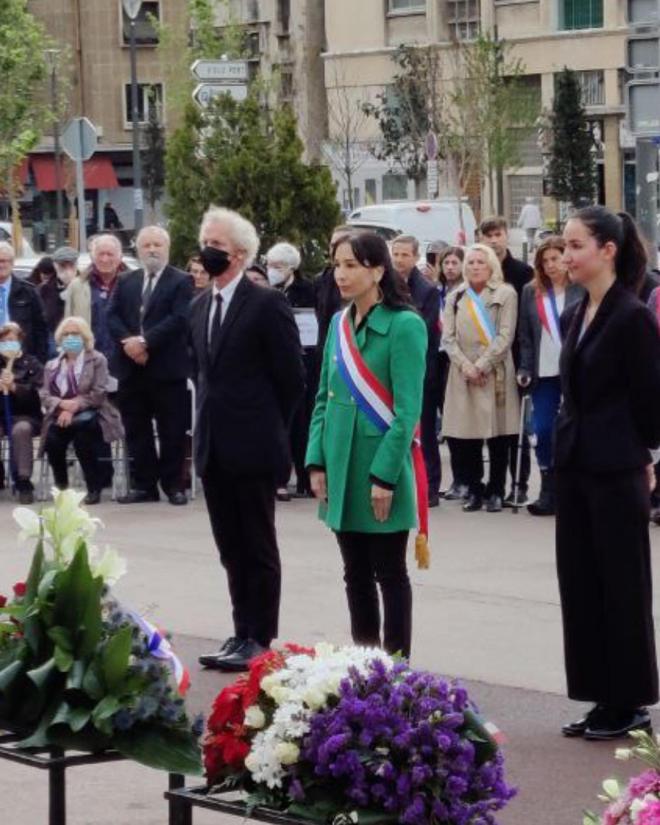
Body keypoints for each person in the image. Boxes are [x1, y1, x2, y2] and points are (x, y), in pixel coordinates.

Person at [556, 206, 660, 741]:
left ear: (608, 251)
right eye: (564, 246)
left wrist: (646, 457)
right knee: (580, 583)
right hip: (575, 466)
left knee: (622, 584)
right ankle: (600, 695)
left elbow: (650, 400)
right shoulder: (577, 312)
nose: (565, 256)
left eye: (575, 246)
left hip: (616, 467)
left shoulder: (632, 315)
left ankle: (630, 701)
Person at [190, 207, 304, 672]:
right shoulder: (199, 306)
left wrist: (271, 430)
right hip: (214, 445)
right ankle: (240, 632)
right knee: (229, 546)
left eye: (215, 245)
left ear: (239, 254)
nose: (205, 252)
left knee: (257, 545)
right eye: (204, 243)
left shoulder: (265, 304)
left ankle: (260, 635)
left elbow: (291, 380)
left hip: (254, 444)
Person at [306, 232, 427, 658]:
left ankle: (394, 669)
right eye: (337, 264)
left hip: (380, 467)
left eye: (352, 265)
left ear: (378, 270)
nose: (341, 274)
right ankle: (363, 663)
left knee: (389, 574)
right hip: (341, 464)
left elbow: (408, 411)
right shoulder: (340, 323)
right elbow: (323, 396)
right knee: (353, 574)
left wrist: (384, 475)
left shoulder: (405, 325)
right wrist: (316, 461)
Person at [107, 226, 193, 506]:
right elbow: (112, 317)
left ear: (167, 248)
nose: (152, 250)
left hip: (166, 369)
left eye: (157, 244)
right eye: (147, 245)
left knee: (172, 431)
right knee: (136, 429)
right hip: (132, 369)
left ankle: (173, 485)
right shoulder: (126, 280)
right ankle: (144, 485)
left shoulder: (181, 280)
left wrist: (145, 342)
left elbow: (180, 319)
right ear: (138, 249)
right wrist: (129, 343)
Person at [442, 244, 519, 513]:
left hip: (494, 371)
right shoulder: (456, 296)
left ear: (491, 266)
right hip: (463, 373)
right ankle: (474, 489)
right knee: (468, 435)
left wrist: (483, 365)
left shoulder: (506, 293)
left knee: (498, 434)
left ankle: (496, 490)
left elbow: (505, 335)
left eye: (480, 262)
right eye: (471, 262)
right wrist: (466, 367)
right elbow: (448, 338)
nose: (475, 266)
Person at [518, 237, 583, 516]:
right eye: (545, 261)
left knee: (575, 429)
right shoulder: (531, 291)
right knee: (543, 429)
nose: (550, 265)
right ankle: (548, 486)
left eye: (555, 259)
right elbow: (526, 337)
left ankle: (574, 488)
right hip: (543, 371)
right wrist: (524, 367)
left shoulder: (580, 288)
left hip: (575, 370)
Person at [40, 316, 123, 505]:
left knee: (82, 434)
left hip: (93, 412)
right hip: (59, 413)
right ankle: (62, 488)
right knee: (52, 438)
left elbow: (99, 392)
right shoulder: (52, 365)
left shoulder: (97, 359)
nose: (71, 337)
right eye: (67, 334)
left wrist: (75, 405)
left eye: (75, 333)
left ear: (84, 336)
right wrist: (62, 404)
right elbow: (44, 394)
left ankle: (94, 487)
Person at [479, 216, 533, 505]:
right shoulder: (479, 273)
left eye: (498, 234)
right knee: (496, 428)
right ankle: (495, 485)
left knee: (518, 428)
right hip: (488, 363)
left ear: (506, 236)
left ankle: (519, 483)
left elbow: (525, 322)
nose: (493, 240)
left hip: (514, 359)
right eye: (488, 235)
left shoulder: (523, 272)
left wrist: (525, 362)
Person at [391, 234, 442, 507]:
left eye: (404, 255)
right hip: (392, 371)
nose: (399, 260)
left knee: (424, 429)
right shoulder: (384, 284)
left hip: (422, 371)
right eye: (395, 254)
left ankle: (431, 486)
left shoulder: (427, 291)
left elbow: (426, 331)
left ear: (415, 256)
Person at [266, 241, 315, 500]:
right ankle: (280, 480)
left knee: (302, 424)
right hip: (275, 365)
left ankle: (306, 477)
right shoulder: (265, 291)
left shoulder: (307, 290)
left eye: (278, 266)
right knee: (281, 425)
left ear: (291, 268)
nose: (272, 270)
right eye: (270, 265)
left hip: (304, 361)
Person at [437, 246, 469, 501]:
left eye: (454, 262)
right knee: (449, 422)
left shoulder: (467, 293)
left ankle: (467, 479)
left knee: (463, 423)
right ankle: (458, 480)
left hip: (460, 360)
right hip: (439, 359)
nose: (449, 267)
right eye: (445, 262)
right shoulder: (437, 291)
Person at [65, 234, 127, 364]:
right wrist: (70, 357)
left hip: (124, 361)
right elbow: (68, 325)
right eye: (100, 254)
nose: (105, 259)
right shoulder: (77, 286)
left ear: (120, 257)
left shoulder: (132, 283)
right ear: (92, 257)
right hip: (88, 359)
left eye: (110, 254)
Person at [0, 322, 43, 503]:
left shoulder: (32, 363)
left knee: (21, 430)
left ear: (19, 341)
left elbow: (38, 395)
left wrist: (15, 387)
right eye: (3, 340)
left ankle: (23, 480)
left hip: (26, 416)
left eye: (11, 340)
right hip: (2, 416)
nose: (7, 343)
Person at [0, 242, 48, 363]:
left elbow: (40, 330)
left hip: (22, 361)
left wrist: (39, 363)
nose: (1, 265)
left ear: (12, 263)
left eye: (4, 261)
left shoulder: (28, 292)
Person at [32, 247, 79, 337]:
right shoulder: (44, 289)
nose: (67, 270)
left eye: (71, 265)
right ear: (56, 266)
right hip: (53, 338)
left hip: (81, 338)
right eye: (63, 265)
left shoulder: (88, 286)